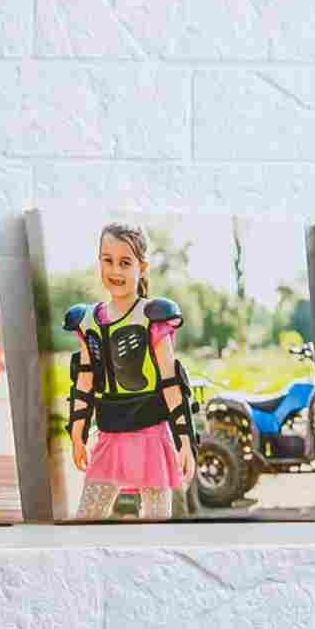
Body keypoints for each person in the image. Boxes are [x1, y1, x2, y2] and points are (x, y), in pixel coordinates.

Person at [62, 222, 194, 522]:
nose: (115, 270)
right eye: (107, 260)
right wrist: (77, 434)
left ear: (142, 267)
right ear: (99, 262)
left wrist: (185, 441)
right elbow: (84, 380)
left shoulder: (154, 318)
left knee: (157, 525)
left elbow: (171, 383)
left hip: (152, 436)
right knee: (86, 518)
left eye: (125, 262)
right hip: (109, 436)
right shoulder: (87, 321)